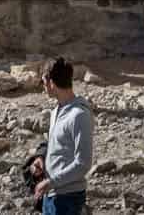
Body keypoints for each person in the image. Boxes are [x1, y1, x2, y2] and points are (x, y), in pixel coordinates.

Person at [33, 56, 95, 214]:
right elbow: (57, 145)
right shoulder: (56, 111)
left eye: (43, 82)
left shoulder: (79, 115)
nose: (43, 87)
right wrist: (42, 159)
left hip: (68, 199)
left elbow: (83, 163)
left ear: (51, 83)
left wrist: (51, 182)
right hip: (52, 194)